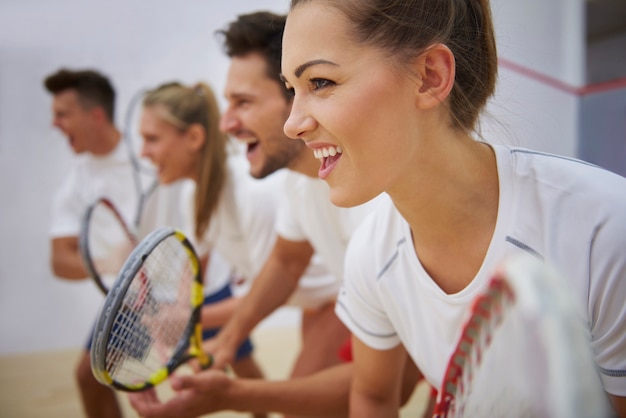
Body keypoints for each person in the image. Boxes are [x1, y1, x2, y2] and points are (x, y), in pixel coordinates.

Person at [280, 0, 626, 416]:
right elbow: (372, 398)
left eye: (319, 82)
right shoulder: (370, 255)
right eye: (291, 90)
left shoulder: (604, 228)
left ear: (429, 77)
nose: (293, 123)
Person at [129, 11, 434, 418]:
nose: (226, 123)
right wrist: (231, 335)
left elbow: (385, 389)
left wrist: (229, 396)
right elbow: (287, 262)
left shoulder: (383, 206)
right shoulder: (298, 180)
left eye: (244, 102)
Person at [45, 68, 133, 418]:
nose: (55, 124)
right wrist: (107, 264)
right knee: (90, 377)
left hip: (189, 285)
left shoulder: (148, 153)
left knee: (235, 369)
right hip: (128, 302)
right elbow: (60, 260)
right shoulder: (77, 182)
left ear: (96, 116)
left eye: (62, 114)